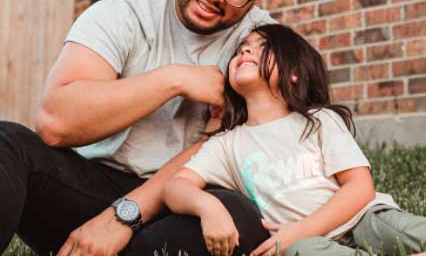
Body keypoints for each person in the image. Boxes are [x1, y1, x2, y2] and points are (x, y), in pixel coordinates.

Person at [0, 0, 286, 256]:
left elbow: (251, 144)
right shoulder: (124, 12)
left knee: (237, 217)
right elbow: (55, 122)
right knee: (5, 143)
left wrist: (125, 218)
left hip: (185, 203)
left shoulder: (263, 45)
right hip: (90, 191)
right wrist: (173, 79)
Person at [163, 23, 426, 256]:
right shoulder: (226, 144)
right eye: (241, 48)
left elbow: (359, 187)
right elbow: (175, 187)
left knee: (403, 230)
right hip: (309, 244)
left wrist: (302, 229)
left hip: (361, 218)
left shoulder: (319, 120)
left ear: (293, 73)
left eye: (262, 46)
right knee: (298, 251)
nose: (245, 51)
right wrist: (207, 206)